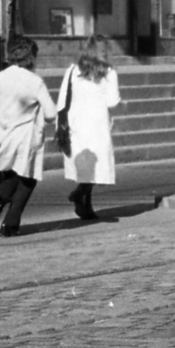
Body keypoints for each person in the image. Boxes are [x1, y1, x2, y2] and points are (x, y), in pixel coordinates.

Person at [0, 36, 57, 237]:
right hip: (25, 136)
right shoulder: (35, 81)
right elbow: (51, 114)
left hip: (2, 136)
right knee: (27, 178)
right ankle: (11, 222)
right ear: (32, 57)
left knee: (10, 174)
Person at [59, 34, 121, 221]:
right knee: (96, 164)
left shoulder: (73, 70)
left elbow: (63, 98)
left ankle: (86, 206)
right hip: (97, 125)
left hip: (76, 123)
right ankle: (79, 194)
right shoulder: (109, 73)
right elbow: (112, 102)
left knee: (85, 165)